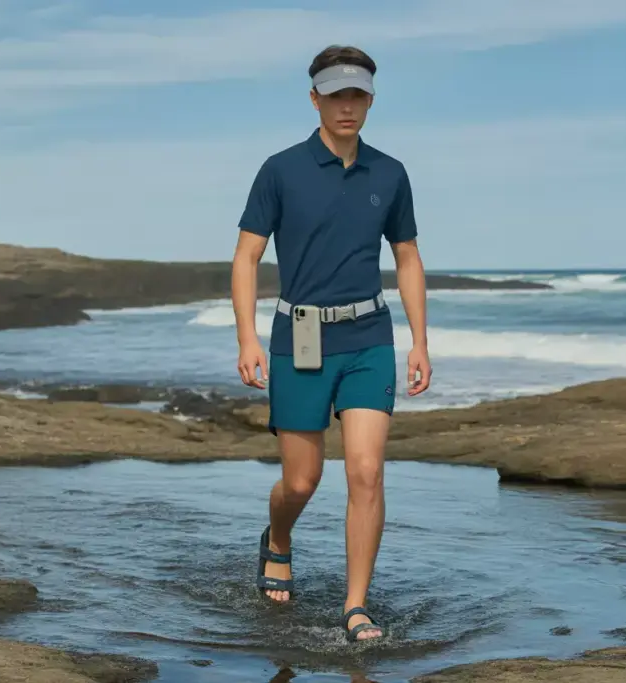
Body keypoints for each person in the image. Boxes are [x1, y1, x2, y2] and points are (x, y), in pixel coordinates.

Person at [230, 44, 431, 643]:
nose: (347, 106)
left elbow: (407, 256)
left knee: (366, 472)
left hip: (370, 335)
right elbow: (246, 256)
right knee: (302, 481)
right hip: (301, 337)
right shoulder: (280, 169)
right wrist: (247, 337)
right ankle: (279, 539)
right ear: (314, 96)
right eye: (336, 94)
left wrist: (421, 340)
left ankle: (356, 606)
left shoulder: (390, 173)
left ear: (371, 99)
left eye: (358, 95)